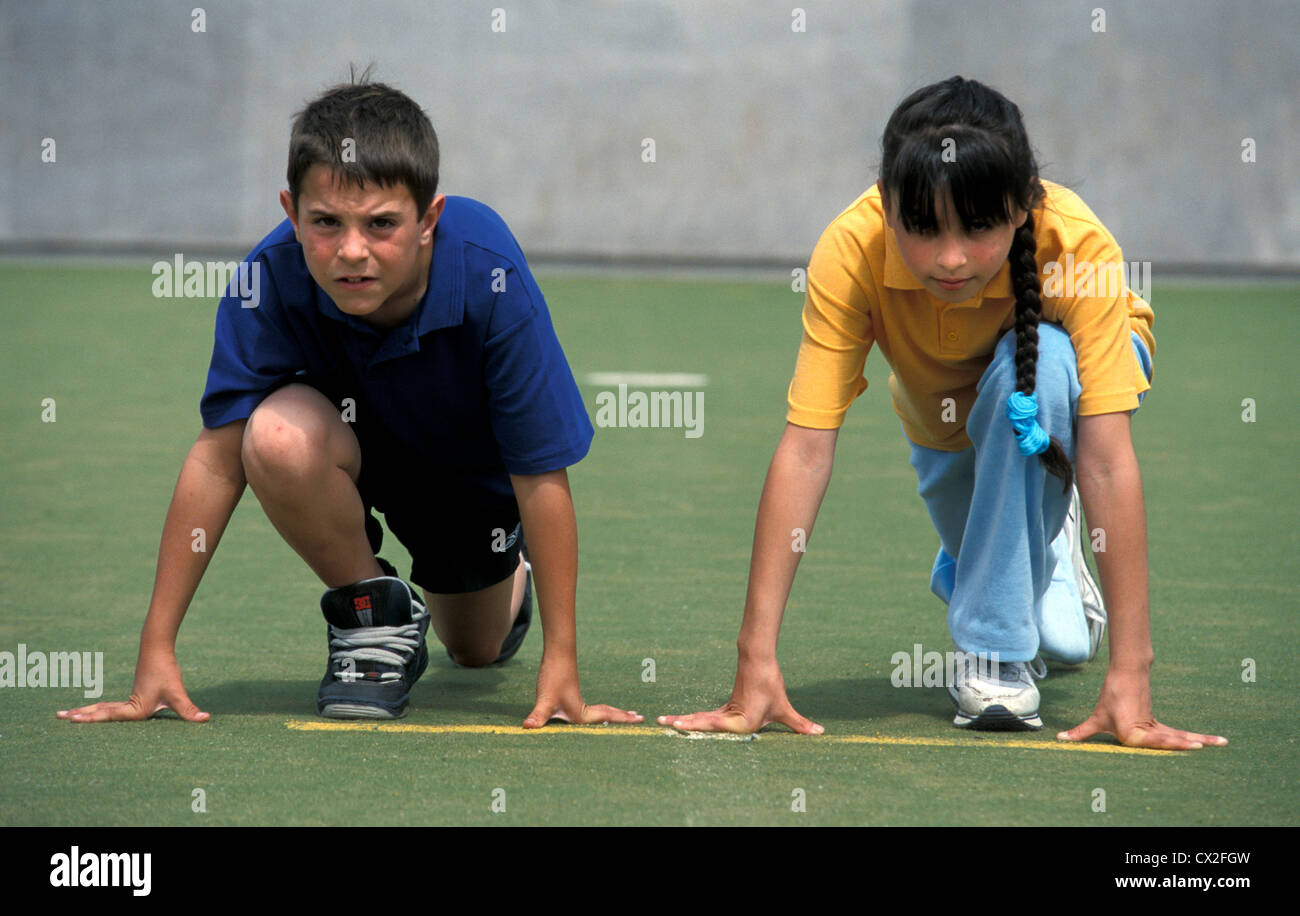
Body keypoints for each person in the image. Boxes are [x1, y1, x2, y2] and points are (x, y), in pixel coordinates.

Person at [58, 75, 641, 729]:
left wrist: (561, 660)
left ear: (430, 219)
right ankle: (376, 617)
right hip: (343, 452)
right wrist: (156, 647)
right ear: (291, 212)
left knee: (474, 650)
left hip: (462, 479)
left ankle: (510, 582)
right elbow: (218, 460)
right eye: (326, 223)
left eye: (382, 224)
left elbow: (539, 471)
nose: (352, 251)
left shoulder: (488, 270)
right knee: (272, 436)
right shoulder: (266, 280)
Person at [659, 76, 1225, 749]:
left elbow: (1105, 460)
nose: (950, 258)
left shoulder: (1078, 248)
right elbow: (806, 448)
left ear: (1022, 209)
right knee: (1065, 642)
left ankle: (993, 654)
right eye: (923, 228)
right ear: (888, 209)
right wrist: (754, 663)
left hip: (1057, 389)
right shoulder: (851, 249)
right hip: (941, 421)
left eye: (978, 227)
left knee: (1042, 362)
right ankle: (1035, 529)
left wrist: (1132, 677)